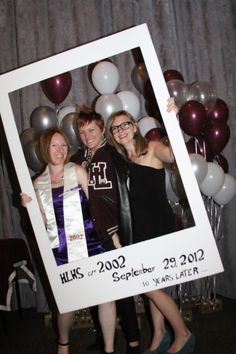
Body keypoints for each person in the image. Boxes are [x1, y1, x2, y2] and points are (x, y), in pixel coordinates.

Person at [106, 101, 195, 354]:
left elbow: (176, 155)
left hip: (159, 226)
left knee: (149, 286)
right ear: (112, 136)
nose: (121, 130)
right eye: (115, 128)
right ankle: (159, 335)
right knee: (154, 288)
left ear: (134, 127)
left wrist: (173, 119)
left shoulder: (153, 148)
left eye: (125, 124)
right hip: (139, 230)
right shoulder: (123, 161)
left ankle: (183, 333)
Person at [20, 128, 116, 354]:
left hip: (92, 243)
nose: (61, 150)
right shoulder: (37, 184)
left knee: (106, 297)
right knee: (67, 304)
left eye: (63, 145)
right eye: (54, 145)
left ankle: (110, 349)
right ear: (45, 149)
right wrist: (29, 209)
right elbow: (40, 227)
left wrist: (111, 236)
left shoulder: (78, 171)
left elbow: (98, 207)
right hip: (61, 250)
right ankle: (63, 341)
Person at [71, 112, 141, 354]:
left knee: (121, 291)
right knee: (96, 291)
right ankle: (103, 337)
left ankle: (133, 341)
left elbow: (127, 192)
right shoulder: (76, 159)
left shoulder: (113, 155)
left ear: (102, 130)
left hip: (113, 233)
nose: (87, 136)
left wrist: (122, 230)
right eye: (82, 132)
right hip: (89, 235)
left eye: (92, 130)